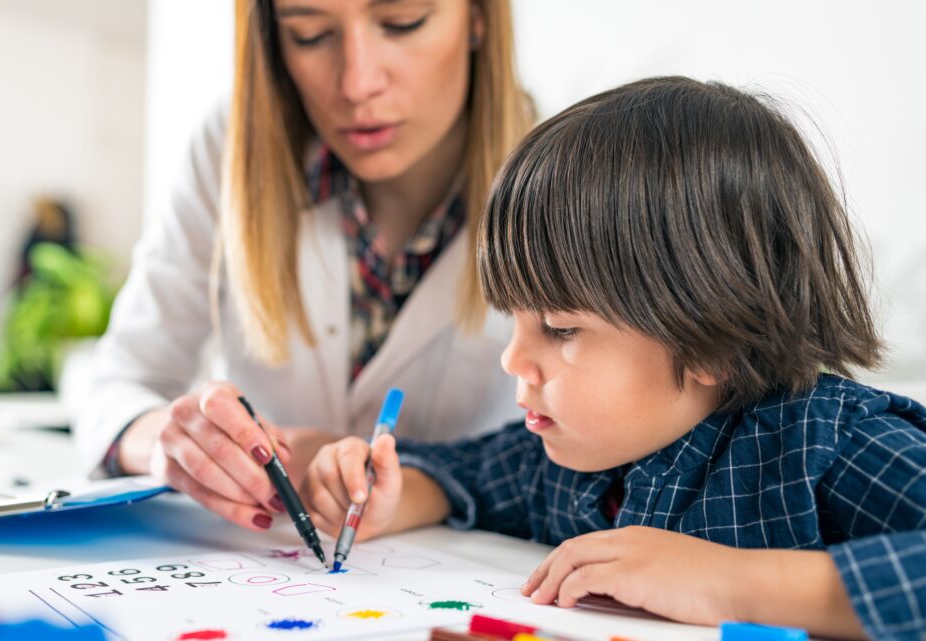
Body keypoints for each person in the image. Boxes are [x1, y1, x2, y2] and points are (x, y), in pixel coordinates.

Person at [303, 77, 926, 640]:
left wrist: (727, 582)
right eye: (513, 322)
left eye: (561, 328)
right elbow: (463, 475)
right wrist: (392, 492)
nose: (514, 359)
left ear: (711, 340)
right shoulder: (571, 456)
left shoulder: (829, 447)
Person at [74, 0, 533, 532]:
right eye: (310, 34)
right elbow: (116, 387)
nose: (357, 84)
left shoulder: (576, 183)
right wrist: (171, 443)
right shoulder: (230, 149)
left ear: (478, 17)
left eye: (403, 23)